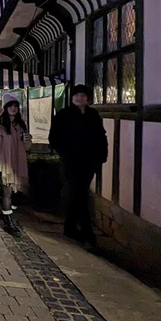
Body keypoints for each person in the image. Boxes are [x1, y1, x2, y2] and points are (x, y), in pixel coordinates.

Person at [48, 84, 107, 250]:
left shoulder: (93, 115)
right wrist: (65, 153)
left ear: (87, 98)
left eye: (83, 96)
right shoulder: (63, 115)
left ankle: (70, 226)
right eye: (77, 96)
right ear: (72, 98)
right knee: (78, 194)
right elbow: (54, 137)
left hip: (89, 162)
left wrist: (101, 156)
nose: (80, 99)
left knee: (79, 193)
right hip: (70, 161)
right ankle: (87, 232)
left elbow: (100, 137)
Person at [0, 94, 31, 237]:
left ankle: (6, 213)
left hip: (18, 162)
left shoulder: (20, 125)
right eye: (11, 106)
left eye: (16, 106)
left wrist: (28, 140)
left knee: (17, 192)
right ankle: (8, 222)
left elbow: (27, 146)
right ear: (6, 108)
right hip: (4, 163)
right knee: (7, 192)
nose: (13, 108)